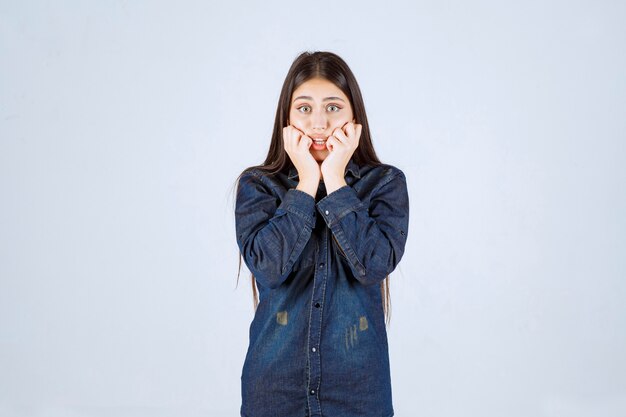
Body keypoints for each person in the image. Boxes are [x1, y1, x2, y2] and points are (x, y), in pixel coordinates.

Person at [234, 51, 409, 417]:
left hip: (359, 393)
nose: (318, 123)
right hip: (274, 392)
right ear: (286, 116)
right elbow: (267, 268)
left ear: (354, 117)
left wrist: (334, 179)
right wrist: (306, 184)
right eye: (304, 108)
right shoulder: (258, 186)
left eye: (333, 108)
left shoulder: (385, 184)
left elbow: (374, 265)